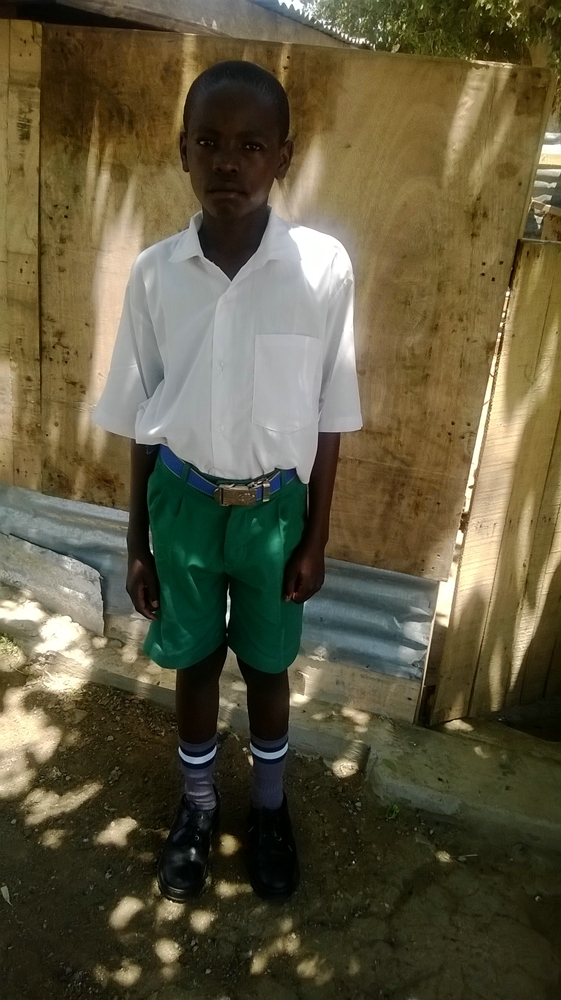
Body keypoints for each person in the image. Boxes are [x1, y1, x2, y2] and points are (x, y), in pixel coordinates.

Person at [93, 60, 362, 902]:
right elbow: (141, 412)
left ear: (282, 157)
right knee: (196, 663)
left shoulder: (321, 269)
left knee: (269, 667)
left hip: (274, 515)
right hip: (181, 507)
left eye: (251, 146)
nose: (228, 163)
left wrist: (315, 537)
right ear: (183, 151)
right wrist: (137, 541)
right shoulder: (154, 274)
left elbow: (330, 412)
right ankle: (199, 806)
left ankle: (270, 808)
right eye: (208, 143)